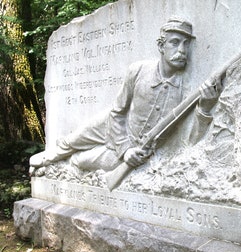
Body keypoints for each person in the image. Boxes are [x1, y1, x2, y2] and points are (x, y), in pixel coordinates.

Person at [30, 17, 221, 172]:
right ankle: (48, 157)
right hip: (113, 125)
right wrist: (124, 148)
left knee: (82, 161)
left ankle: (56, 168)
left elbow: (188, 143)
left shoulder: (186, 89)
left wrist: (205, 107)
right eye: (174, 43)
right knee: (73, 141)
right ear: (161, 46)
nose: (181, 51)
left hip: (138, 150)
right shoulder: (138, 70)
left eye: (186, 44)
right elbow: (117, 112)